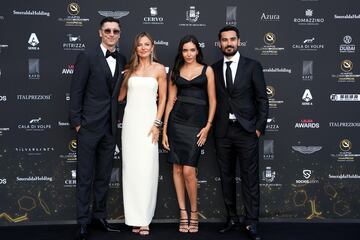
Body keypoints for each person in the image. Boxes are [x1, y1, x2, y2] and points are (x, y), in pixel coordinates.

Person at [69, 17, 126, 240]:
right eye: (108, 30)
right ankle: (83, 222)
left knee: (103, 176)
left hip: (110, 128)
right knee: (85, 176)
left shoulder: (121, 59)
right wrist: (77, 123)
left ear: (119, 34)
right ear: (100, 33)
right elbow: (76, 91)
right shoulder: (87, 56)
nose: (112, 34)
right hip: (88, 127)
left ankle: (99, 216)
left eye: (116, 31)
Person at [212, 26, 268, 240]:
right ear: (219, 43)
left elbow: (262, 99)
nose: (229, 43)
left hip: (246, 131)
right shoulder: (214, 69)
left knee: (250, 178)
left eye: (232, 39)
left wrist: (258, 128)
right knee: (226, 177)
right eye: (224, 40)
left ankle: (251, 222)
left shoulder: (252, 66)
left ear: (239, 41)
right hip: (223, 132)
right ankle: (232, 218)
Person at [162, 35, 216, 233]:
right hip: (176, 122)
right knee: (176, 169)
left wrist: (207, 126)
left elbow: (213, 100)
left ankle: (195, 212)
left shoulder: (207, 70)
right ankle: (183, 212)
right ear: (181, 52)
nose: (189, 54)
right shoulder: (176, 71)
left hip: (197, 125)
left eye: (192, 50)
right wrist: (165, 129)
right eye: (185, 50)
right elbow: (170, 101)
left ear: (197, 51)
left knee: (188, 171)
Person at [119, 32, 167, 236]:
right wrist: (122, 79)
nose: (143, 48)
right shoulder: (129, 70)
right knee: (131, 171)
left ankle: (145, 219)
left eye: (147, 44)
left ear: (152, 46)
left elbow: (163, 98)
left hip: (149, 125)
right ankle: (133, 218)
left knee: (147, 171)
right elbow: (121, 97)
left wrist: (157, 124)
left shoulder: (159, 69)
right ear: (135, 48)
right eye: (139, 45)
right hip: (130, 125)